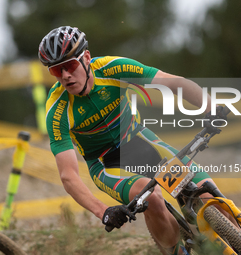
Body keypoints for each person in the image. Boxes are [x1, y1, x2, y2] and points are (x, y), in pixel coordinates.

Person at [38, 26, 223, 255]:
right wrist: (103, 211)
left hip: (140, 141)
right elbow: (68, 176)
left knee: (208, 195)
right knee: (151, 198)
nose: (65, 75)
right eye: (56, 70)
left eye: (71, 65)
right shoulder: (57, 110)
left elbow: (170, 82)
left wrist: (210, 107)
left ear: (86, 58)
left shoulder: (112, 68)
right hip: (107, 164)